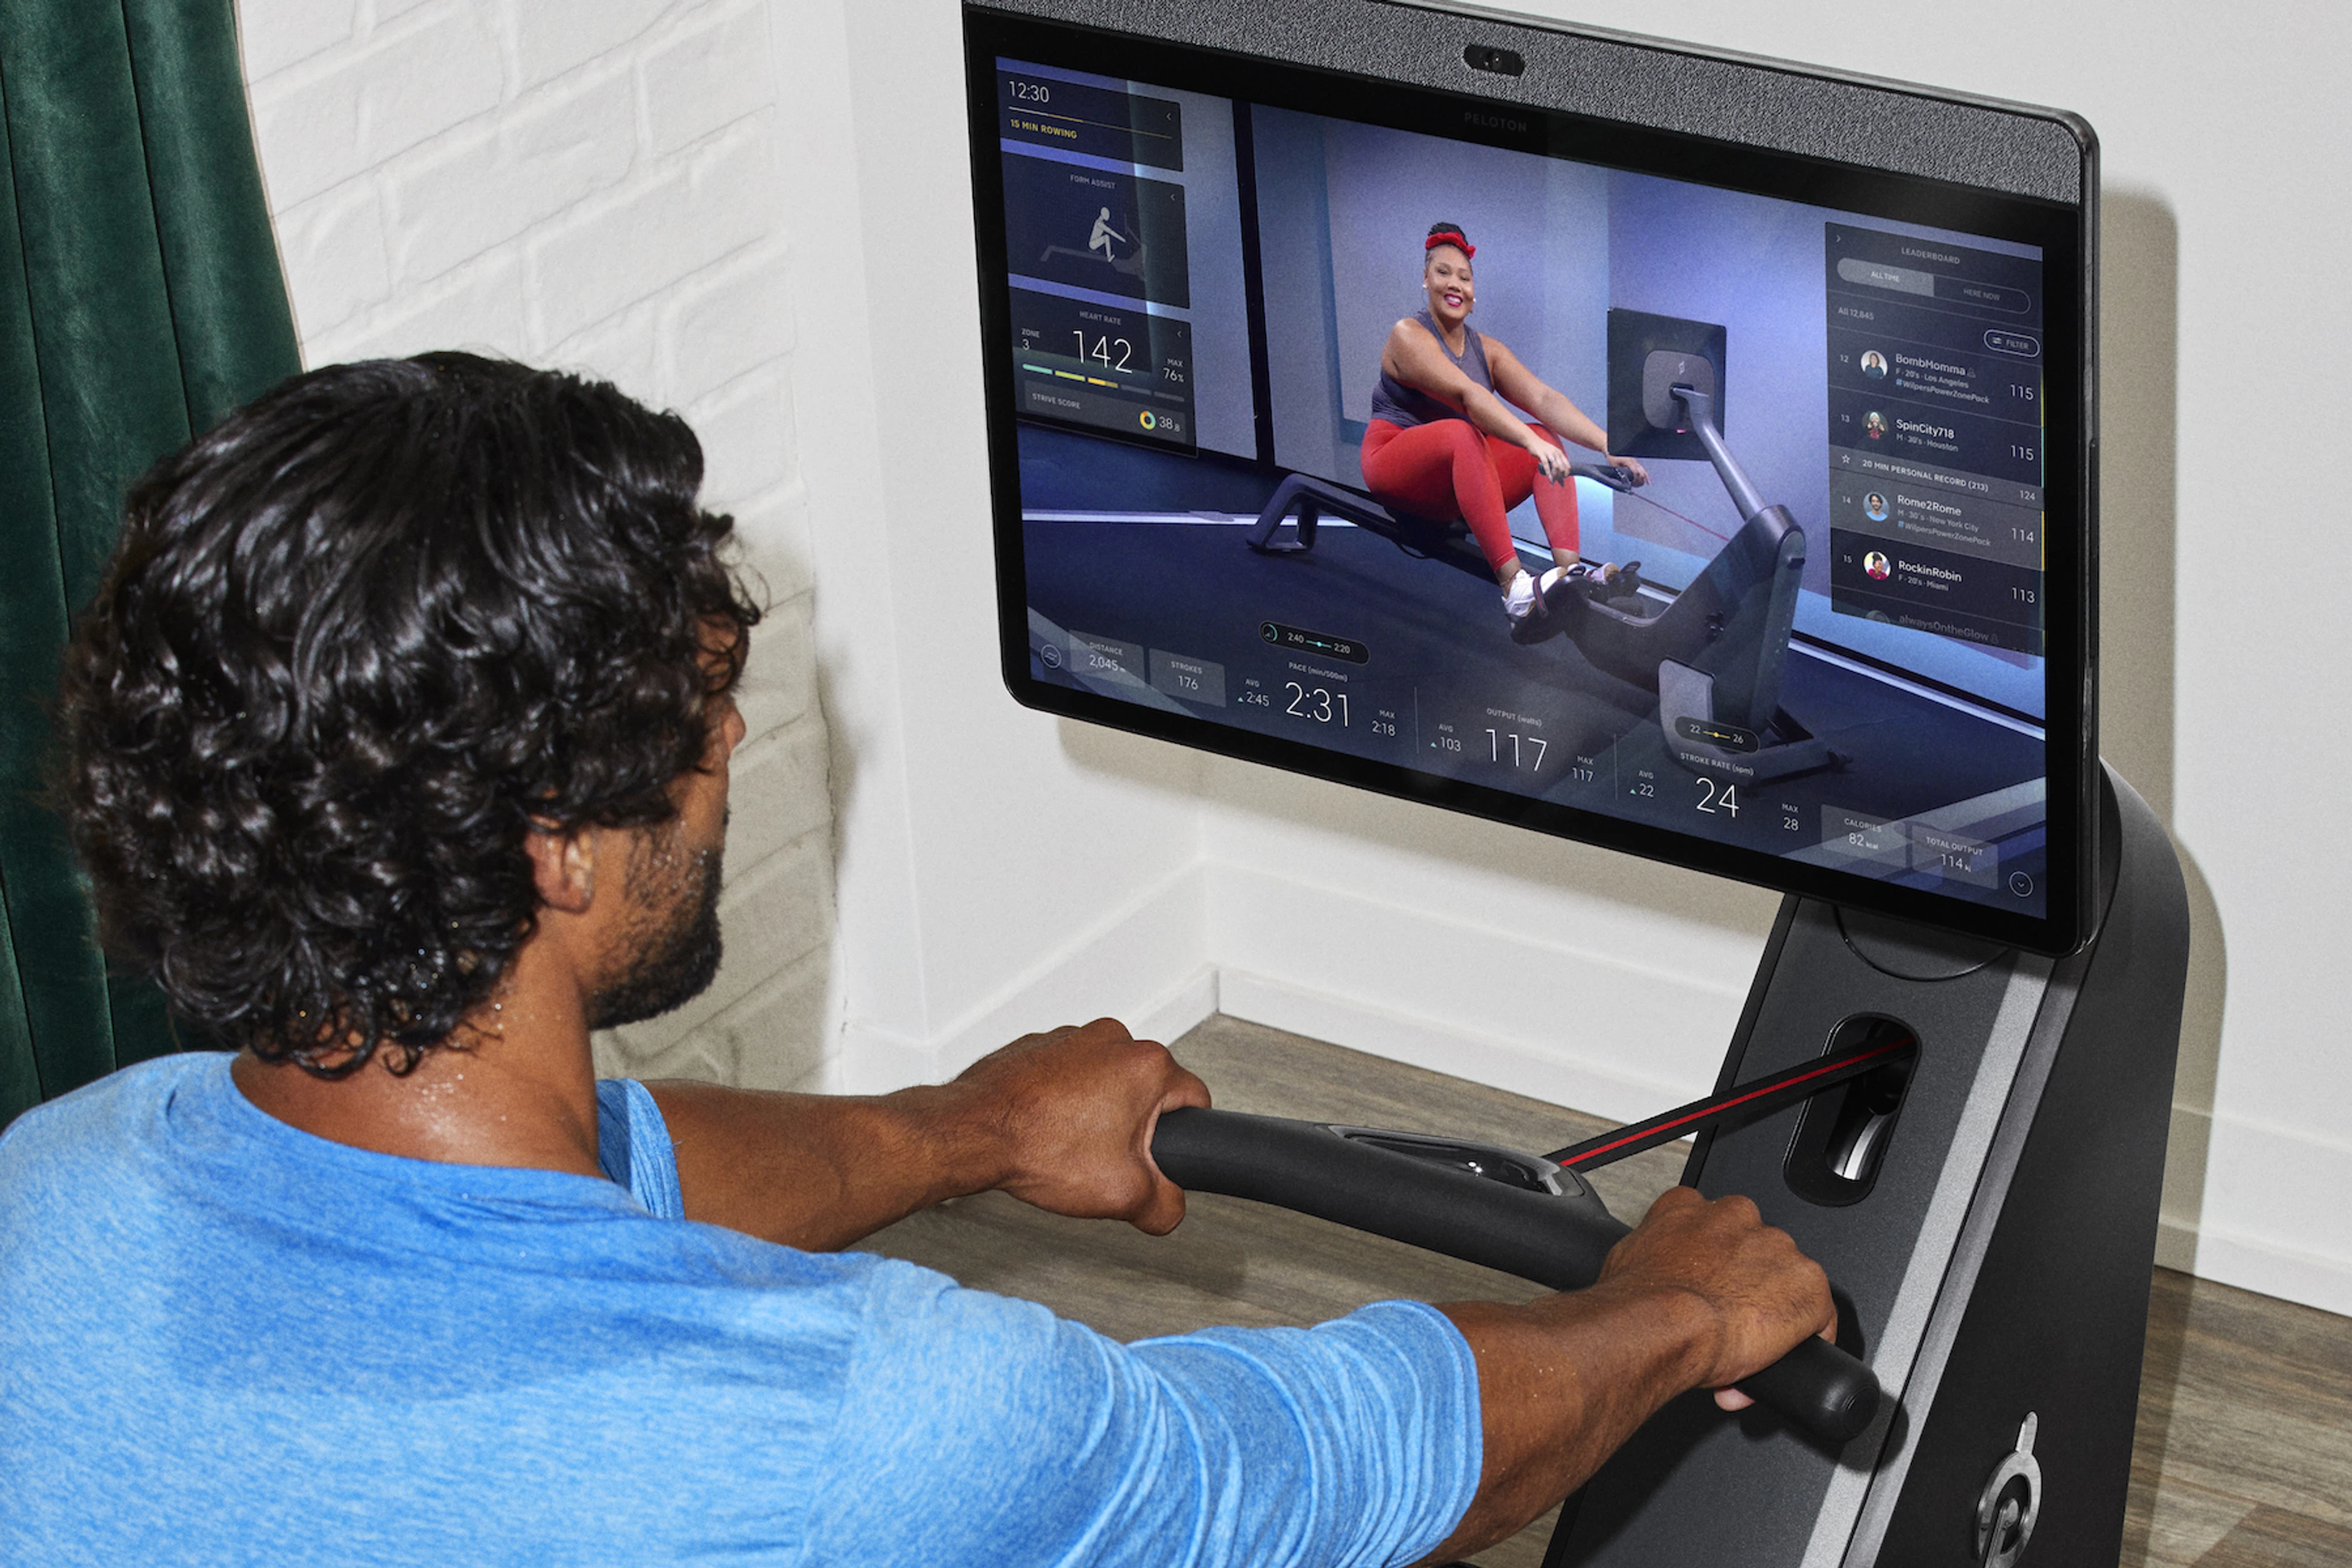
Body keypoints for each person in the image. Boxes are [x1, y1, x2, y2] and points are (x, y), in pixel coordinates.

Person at [0, 355, 1832, 1566]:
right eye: (703, 720)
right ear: (551, 846)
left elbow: (560, 1177)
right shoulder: (868, 1425)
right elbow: (1322, 1468)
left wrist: (960, 1128)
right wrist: (1665, 1307)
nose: (728, 758)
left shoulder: (62, 1176)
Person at [1362, 222, 1649, 633]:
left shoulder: (1487, 351)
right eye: (1443, 273)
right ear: (1425, 280)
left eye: (1464, 276)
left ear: (1474, 295)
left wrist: (1608, 446)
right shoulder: (1408, 335)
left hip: (1456, 478)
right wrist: (1528, 441)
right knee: (1471, 434)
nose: (1454, 284)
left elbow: (1545, 400)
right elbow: (1468, 398)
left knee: (1545, 435)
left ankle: (1571, 575)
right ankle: (1514, 588)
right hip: (1395, 462)